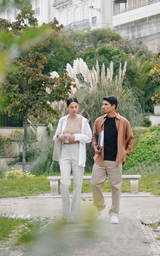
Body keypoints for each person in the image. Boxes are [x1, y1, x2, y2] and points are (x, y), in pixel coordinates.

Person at [91, 96, 134, 224]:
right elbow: (94, 136)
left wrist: (125, 153)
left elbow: (130, 139)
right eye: (103, 104)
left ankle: (114, 213)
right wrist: (95, 146)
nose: (103, 107)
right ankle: (100, 207)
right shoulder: (99, 121)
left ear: (113, 106)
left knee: (116, 187)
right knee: (95, 184)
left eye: (106, 104)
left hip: (115, 160)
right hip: (100, 159)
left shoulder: (124, 122)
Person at [53, 97, 92, 221]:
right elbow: (56, 135)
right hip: (65, 152)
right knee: (65, 183)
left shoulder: (84, 121)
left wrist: (76, 136)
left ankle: (75, 215)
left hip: (77, 152)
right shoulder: (63, 120)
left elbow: (88, 138)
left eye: (76, 107)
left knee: (77, 184)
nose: (74, 109)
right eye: (71, 107)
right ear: (67, 108)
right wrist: (61, 136)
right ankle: (65, 214)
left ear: (78, 107)